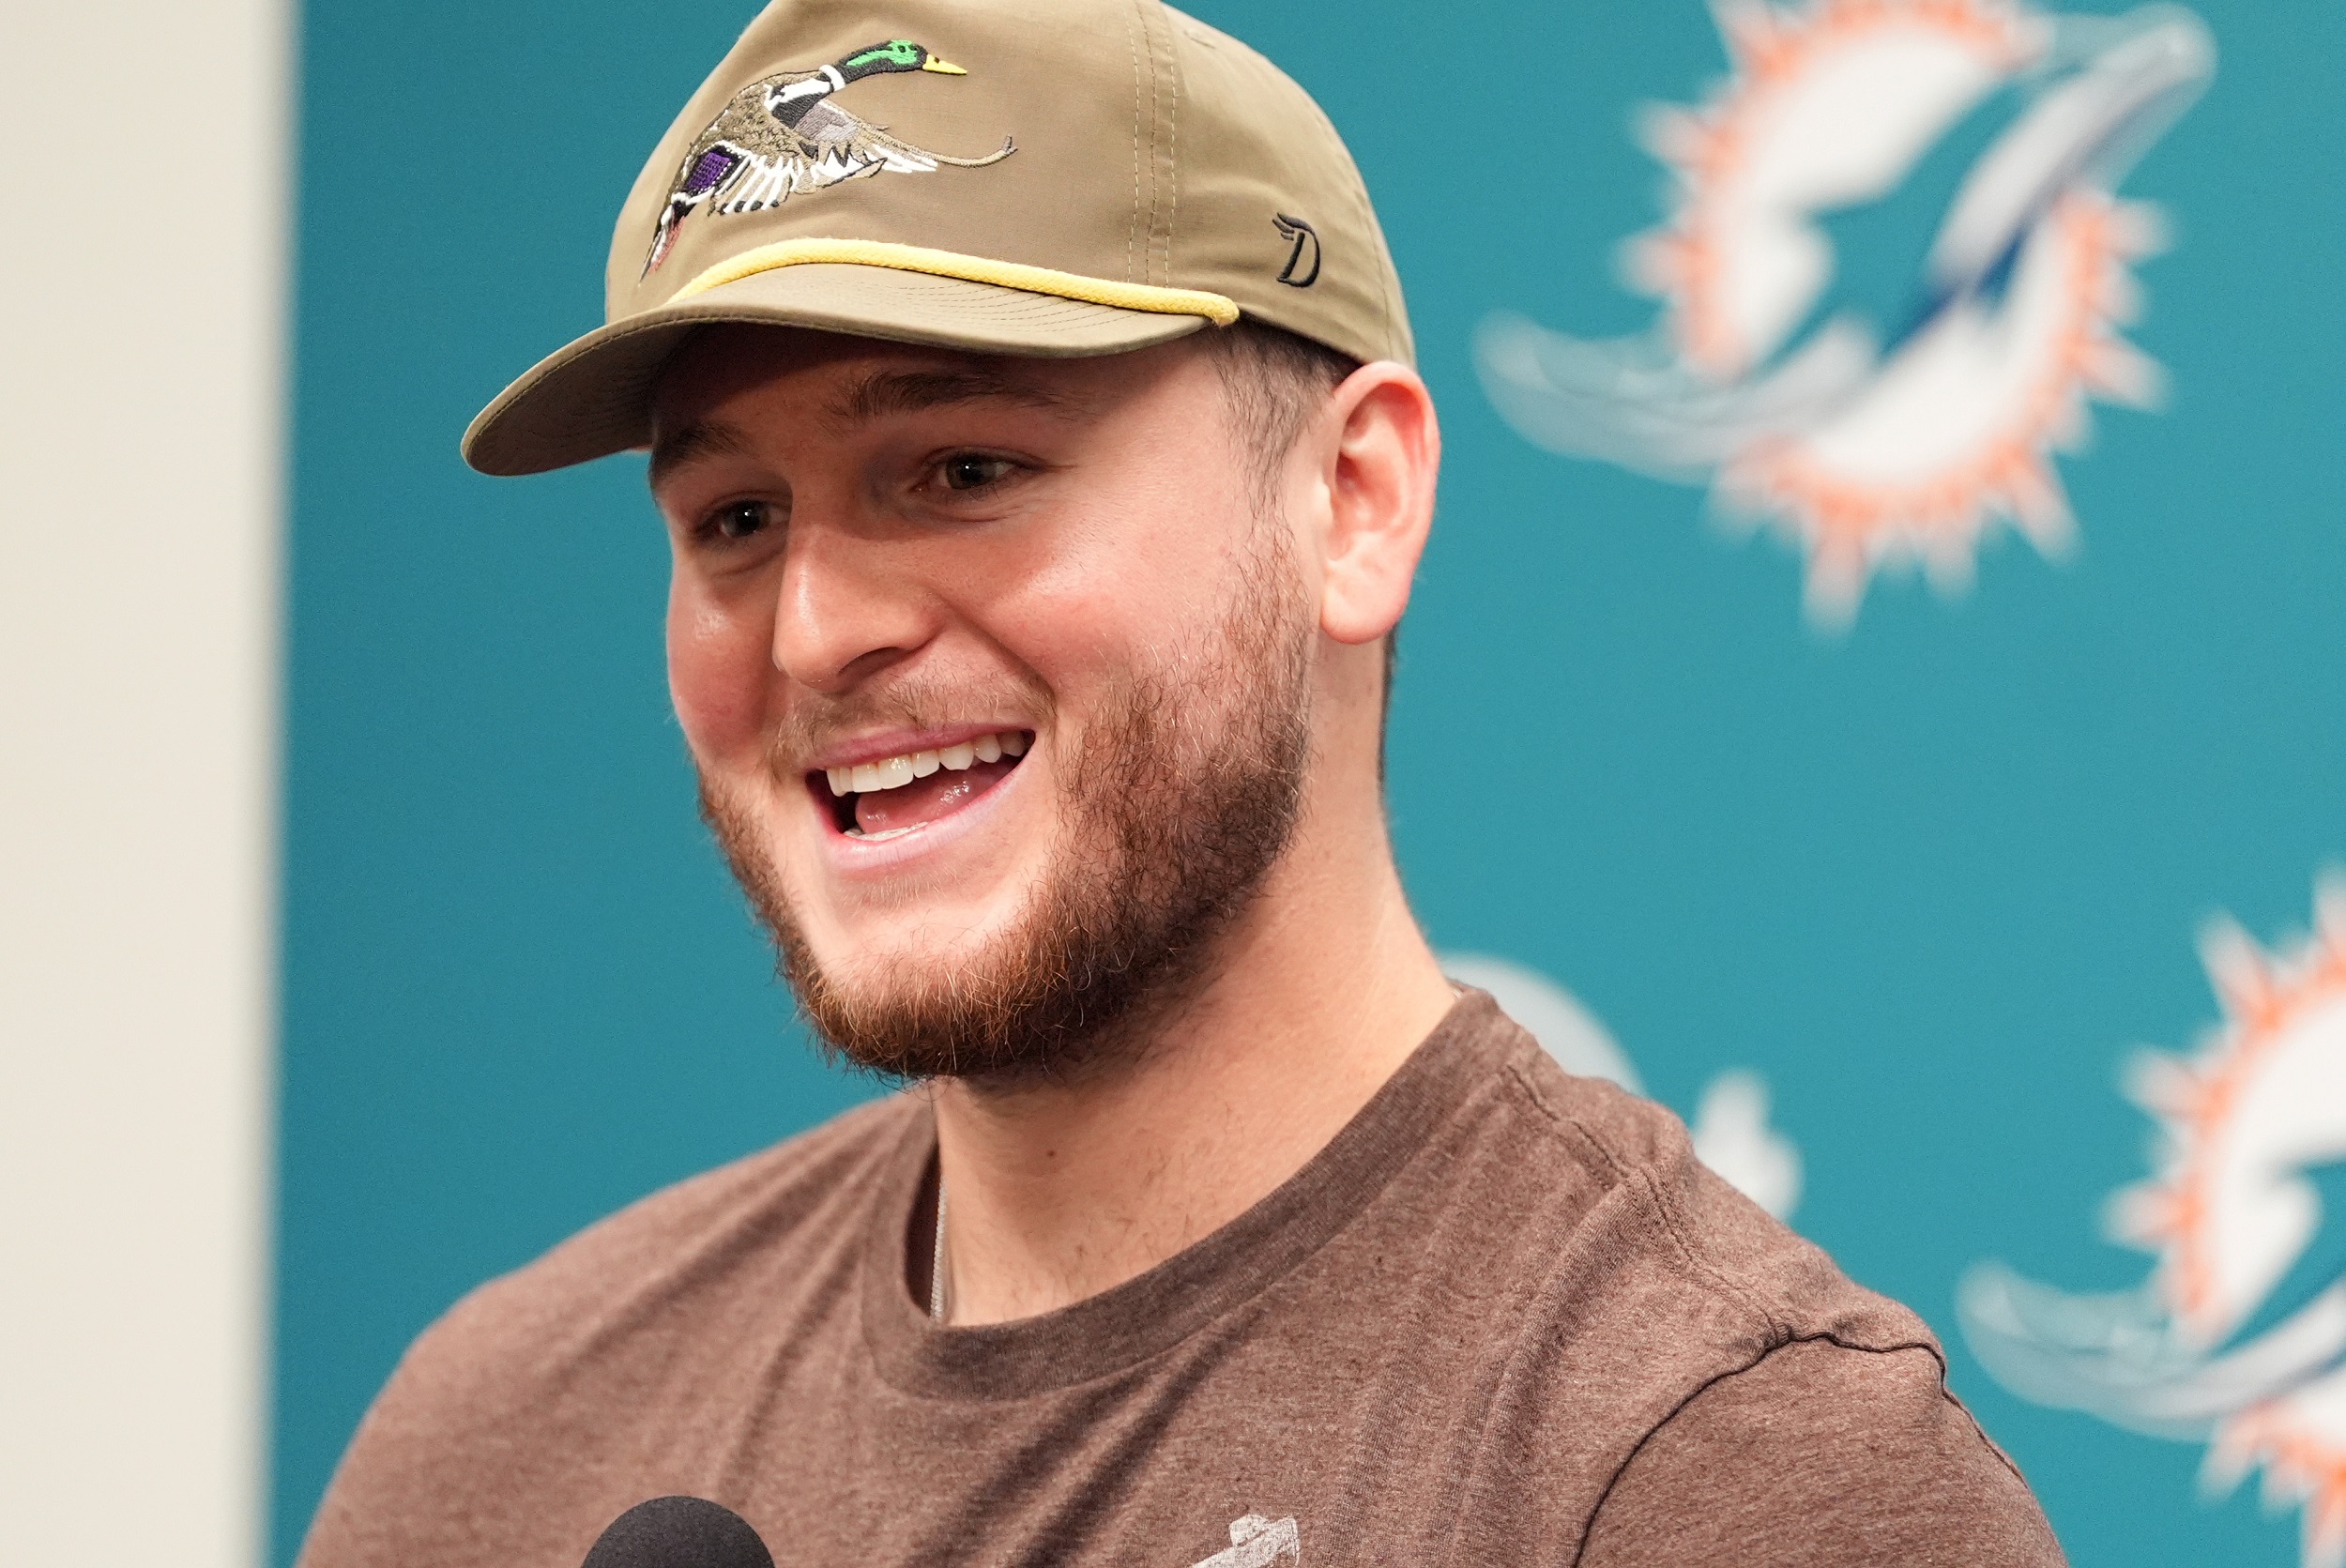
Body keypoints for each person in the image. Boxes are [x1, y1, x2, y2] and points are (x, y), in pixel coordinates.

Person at [300, 1, 2067, 1563]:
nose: (818, 628)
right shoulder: (507, 1438)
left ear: (1353, 501)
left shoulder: (1720, 1479)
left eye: (965, 465)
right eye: (734, 521)